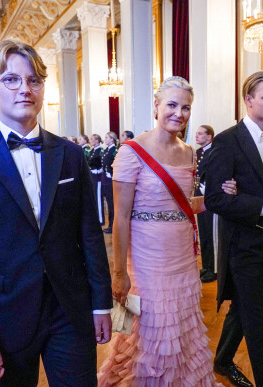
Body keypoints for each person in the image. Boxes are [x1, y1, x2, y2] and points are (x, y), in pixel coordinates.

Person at [0, 39, 112, 386]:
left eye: (34, 80)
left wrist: (100, 304)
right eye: (12, 80)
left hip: (70, 310)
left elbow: (89, 235)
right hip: (4, 316)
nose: (24, 89)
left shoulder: (70, 154)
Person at [97, 76, 235, 386]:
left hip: (183, 256)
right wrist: (119, 274)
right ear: (156, 106)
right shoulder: (130, 152)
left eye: (186, 107)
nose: (179, 113)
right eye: (172, 105)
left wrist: (219, 197)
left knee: (181, 328)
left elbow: (186, 205)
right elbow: (120, 218)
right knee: (151, 329)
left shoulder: (188, 151)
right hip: (148, 257)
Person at [205, 70, 263, 387]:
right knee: (256, 317)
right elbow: (215, 199)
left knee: (243, 307)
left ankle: (222, 359)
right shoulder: (227, 141)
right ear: (248, 100)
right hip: (241, 245)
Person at [195, 125, 217, 283]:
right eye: (196, 133)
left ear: (209, 137)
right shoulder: (198, 153)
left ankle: (214, 268)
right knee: (203, 234)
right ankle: (207, 266)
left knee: (211, 234)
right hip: (199, 197)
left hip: (210, 197)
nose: (197, 136)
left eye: (201, 134)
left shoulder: (215, 152)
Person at [102, 131, 118, 234]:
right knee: (108, 202)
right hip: (106, 179)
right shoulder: (107, 150)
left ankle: (113, 226)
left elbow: (116, 164)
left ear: (112, 139)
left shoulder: (114, 150)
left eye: (107, 137)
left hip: (111, 179)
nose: (105, 139)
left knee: (112, 203)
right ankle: (110, 225)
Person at [89, 133, 104, 225]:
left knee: (98, 198)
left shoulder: (100, 151)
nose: (90, 141)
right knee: (94, 198)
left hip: (98, 176)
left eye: (92, 139)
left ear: (97, 141)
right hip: (92, 176)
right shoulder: (92, 151)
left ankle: (100, 219)